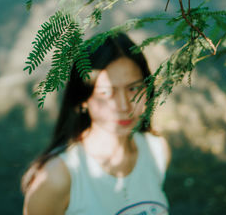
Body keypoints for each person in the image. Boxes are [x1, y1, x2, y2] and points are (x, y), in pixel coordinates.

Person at [22, 33, 171, 215]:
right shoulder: (57, 178)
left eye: (133, 88)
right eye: (107, 92)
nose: (124, 106)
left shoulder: (157, 150)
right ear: (83, 99)